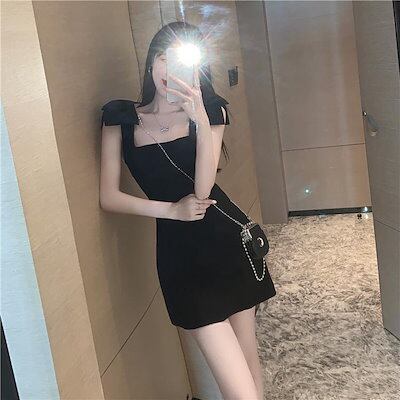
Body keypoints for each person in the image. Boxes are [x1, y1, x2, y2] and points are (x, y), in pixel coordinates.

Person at [100, 21, 276, 400]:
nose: (169, 68)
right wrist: (172, 211)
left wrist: (198, 117)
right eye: (163, 57)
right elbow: (109, 197)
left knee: (248, 362)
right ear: (151, 63)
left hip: (229, 245)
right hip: (181, 258)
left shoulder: (212, 111)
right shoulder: (120, 117)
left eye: (181, 60)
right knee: (241, 390)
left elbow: (202, 189)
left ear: (198, 69)